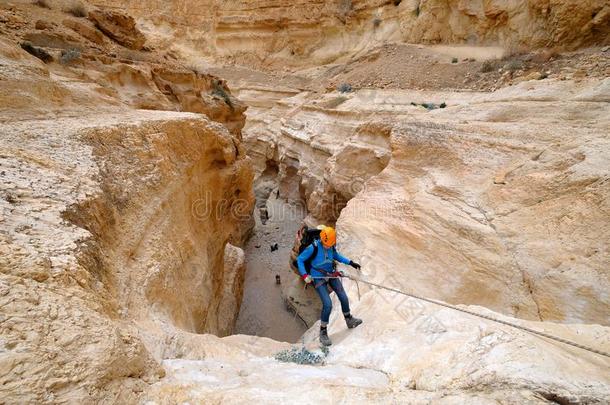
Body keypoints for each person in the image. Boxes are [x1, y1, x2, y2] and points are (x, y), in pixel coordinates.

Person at [296, 226, 362, 346]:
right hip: (317, 277)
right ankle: (323, 331)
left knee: (343, 297)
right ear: (322, 240)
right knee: (327, 304)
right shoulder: (313, 248)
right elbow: (300, 259)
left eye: (330, 245)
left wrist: (351, 263)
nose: (328, 247)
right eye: (327, 244)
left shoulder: (330, 245)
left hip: (331, 274)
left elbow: (336, 256)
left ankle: (349, 319)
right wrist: (305, 275)